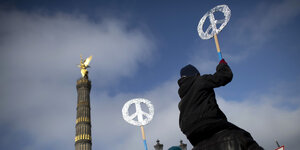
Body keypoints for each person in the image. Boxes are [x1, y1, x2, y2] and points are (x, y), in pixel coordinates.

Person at [177, 59, 263, 150]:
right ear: (195, 74)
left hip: (192, 133)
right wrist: (222, 65)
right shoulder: (200, 80)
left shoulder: (182, 100)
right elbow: (224, 76)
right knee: (244, 137)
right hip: (209, 123)